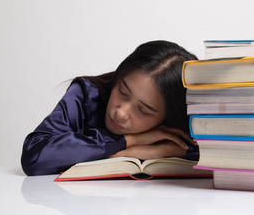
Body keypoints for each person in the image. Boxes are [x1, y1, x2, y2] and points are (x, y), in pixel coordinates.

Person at [21, 40, 199, 176]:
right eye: (122, 91)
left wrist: (169, 150)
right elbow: (35, 155)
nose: (120, 113)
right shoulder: (87, 94)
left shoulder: (182, 124)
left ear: (168, 117)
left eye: (143, 111)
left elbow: (220, 153)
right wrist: (131, 142)